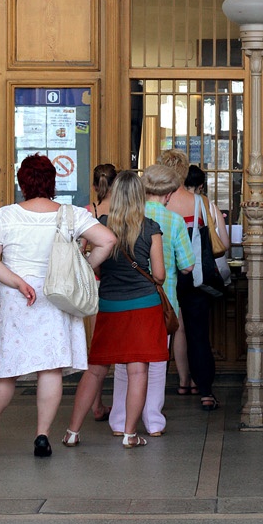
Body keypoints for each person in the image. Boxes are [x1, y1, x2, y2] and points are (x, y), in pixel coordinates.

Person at [0, 154, 116, 458]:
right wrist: (82, 268)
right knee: (50, 368)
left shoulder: (6, 215)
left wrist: (18, 282)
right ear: (52, 182)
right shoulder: (70, 214)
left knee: (5, 371)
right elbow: (107, 240)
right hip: (58, 296)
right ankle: (42, 436)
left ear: (22, 182)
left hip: (18, 301)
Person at [64, 170, 167, 447]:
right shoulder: (151, 228)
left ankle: (72, 432)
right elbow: (159, 275)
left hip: (109, 304)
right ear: (140, 196)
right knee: (138, 371)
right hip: (144, 306)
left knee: (95, 369)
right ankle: (130, 434)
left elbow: (92, 266)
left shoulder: (101, 225)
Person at [105, 163, 194, 437]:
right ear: (168, 194)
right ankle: (153, 420)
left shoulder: (126, 217)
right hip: (160, 301)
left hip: (123, 299)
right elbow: (188, 266)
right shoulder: (174, 221)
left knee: (125, 362)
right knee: (155, 363)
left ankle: (119, 420)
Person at [167, 164, 228, 411]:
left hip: (167, 275)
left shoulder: (160, 204)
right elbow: (223, 244)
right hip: (195, 274)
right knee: (198, 333)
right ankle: (205, 391)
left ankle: (182, 382)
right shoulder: (203, 204)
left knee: (174, 329)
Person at [156, 148, 194, 394]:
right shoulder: (196, 203)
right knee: (177, 326)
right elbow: (188, 265)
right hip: (180, 279)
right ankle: (184, 379)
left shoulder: (144, 208)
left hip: (149, 282)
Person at [85, 161, 117, 421]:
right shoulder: (123, 210)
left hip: (95, 284)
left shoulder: (89, 211)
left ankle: (97, 403)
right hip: (120, 282)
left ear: (95, 185)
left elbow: (82, 247)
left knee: (97, 347)